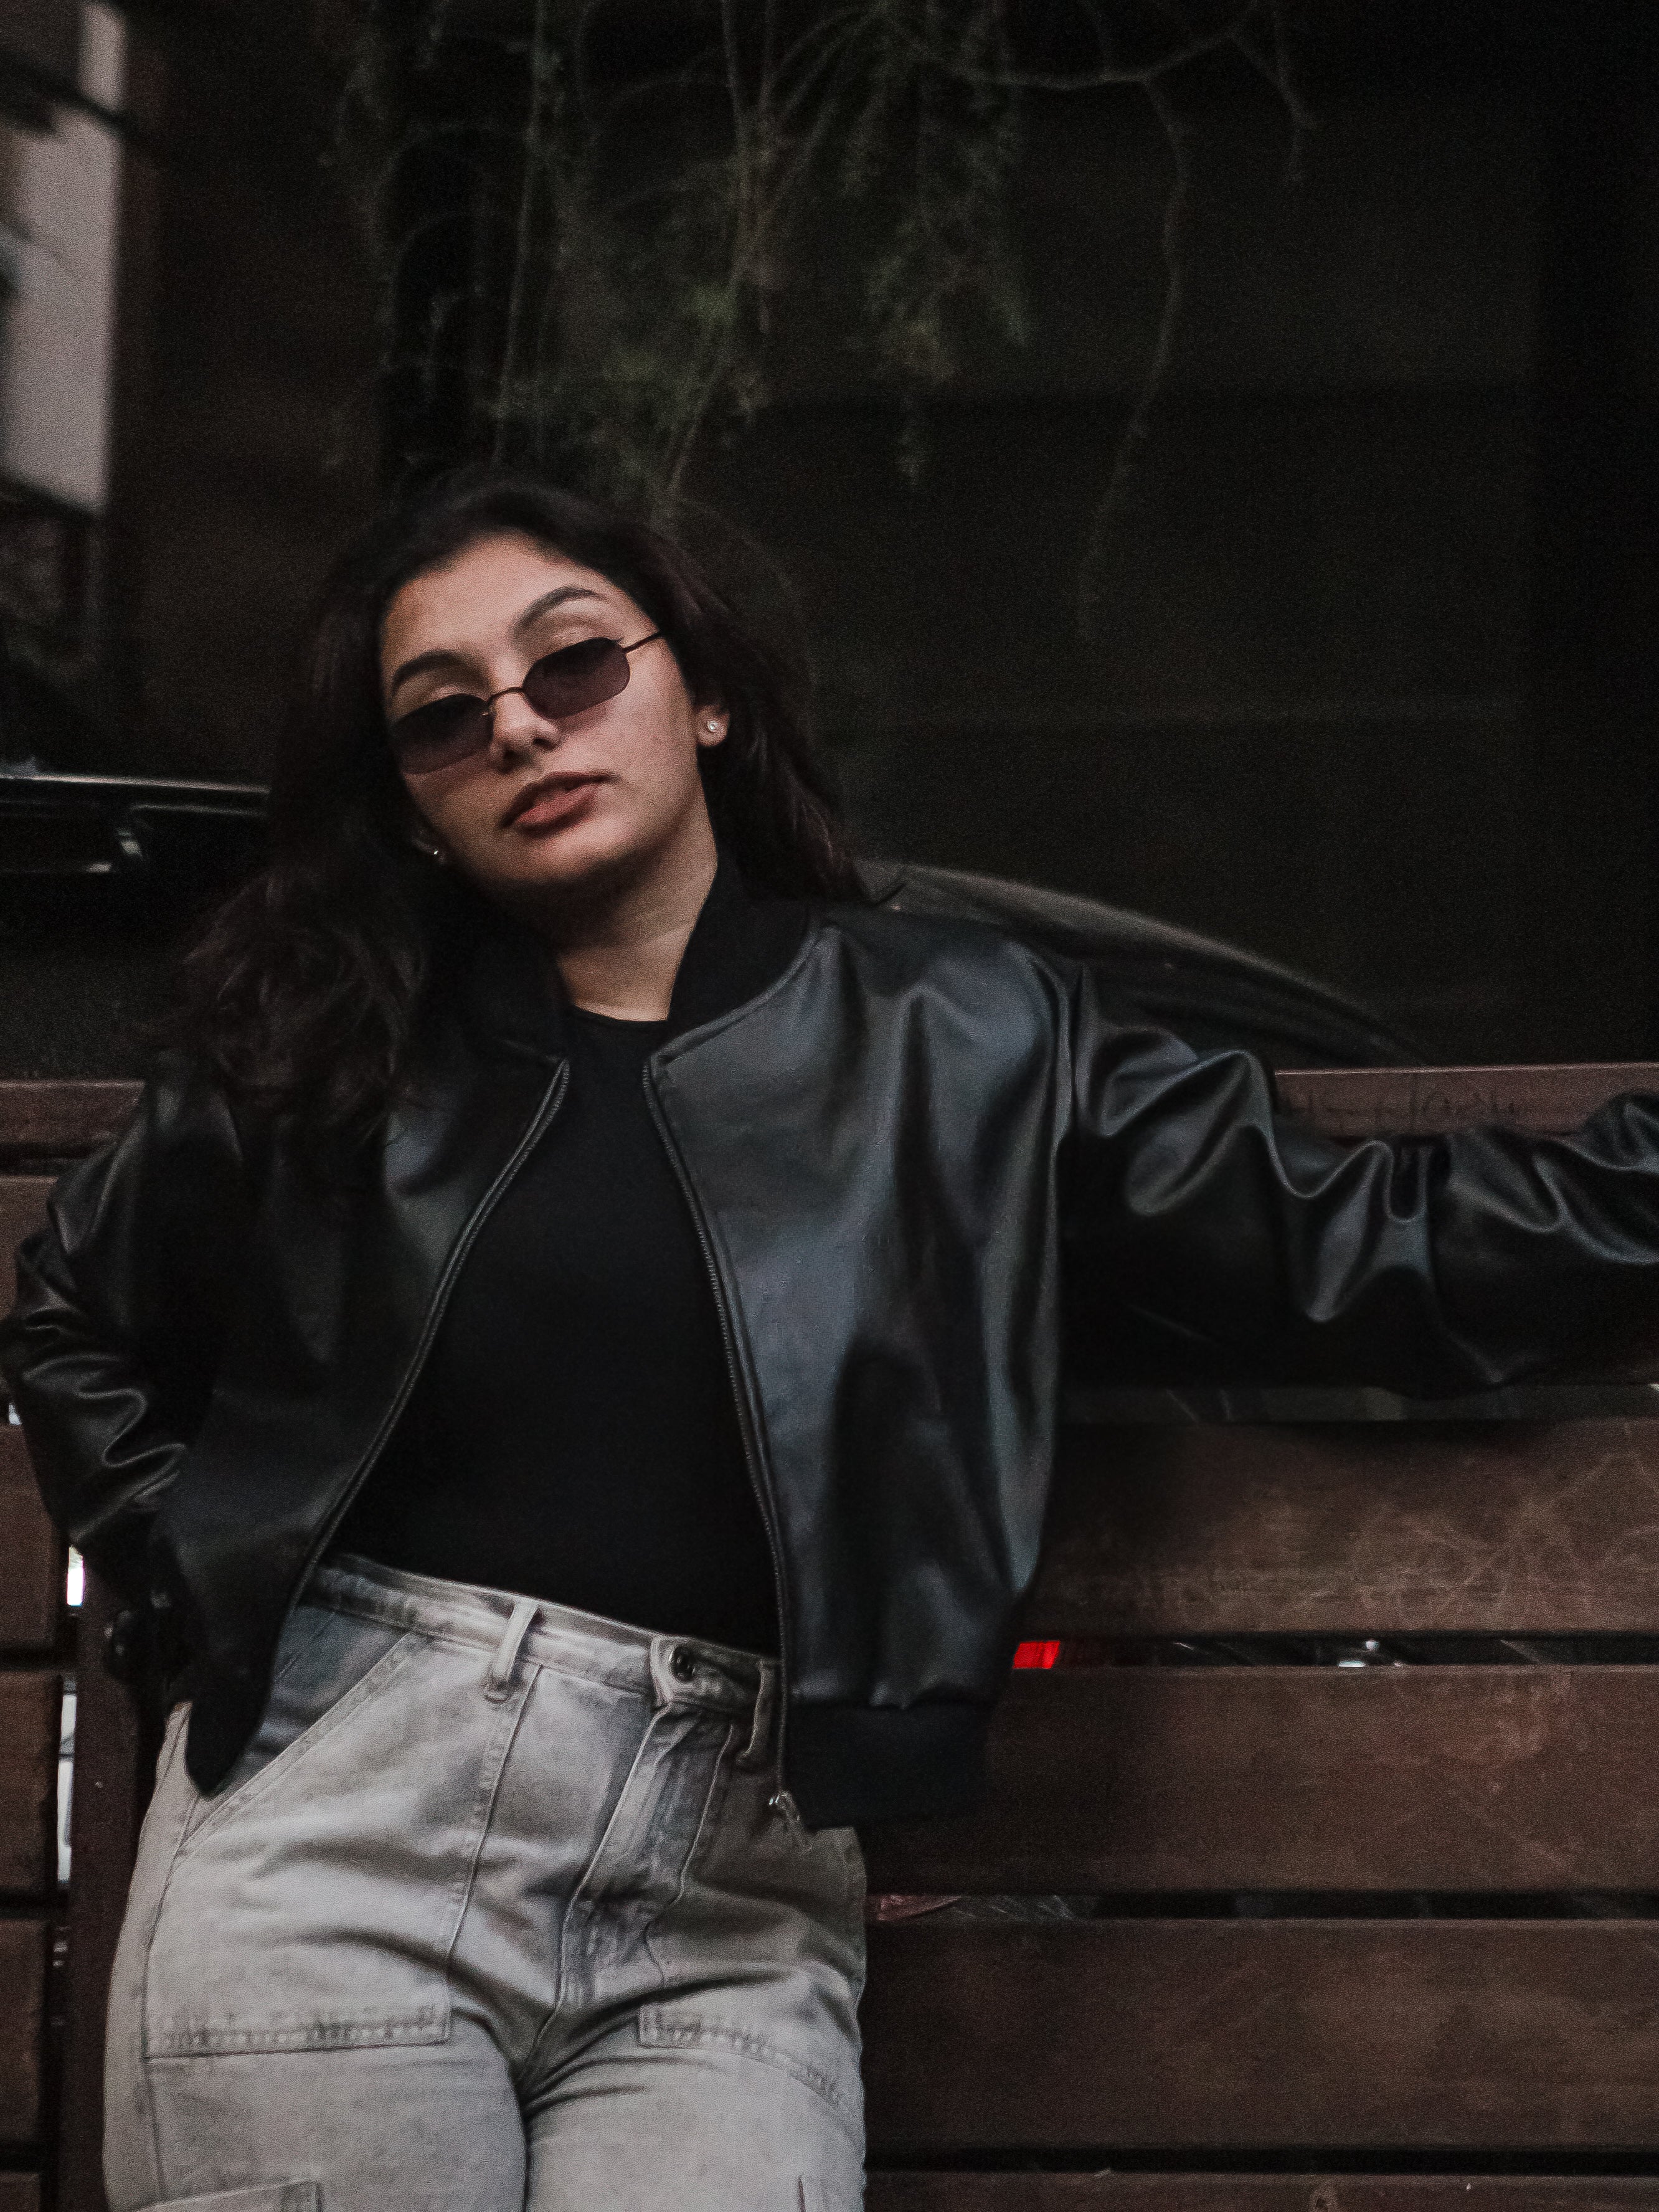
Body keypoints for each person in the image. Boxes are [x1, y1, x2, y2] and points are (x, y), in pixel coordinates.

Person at [7, 466, 1659, 2212]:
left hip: (738, 1889)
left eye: (574, 665)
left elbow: (1357, 1246)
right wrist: (212, 1604)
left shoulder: (962, 1036)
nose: (520, 726)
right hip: (348, 1840)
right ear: (414, 807)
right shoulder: (331, 1047)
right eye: (443, 716)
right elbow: (75, 1315)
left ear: (705, 694)